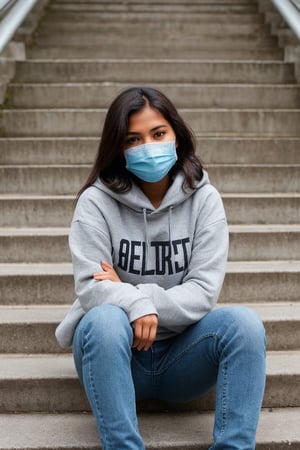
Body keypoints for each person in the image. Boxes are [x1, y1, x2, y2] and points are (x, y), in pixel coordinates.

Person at [55, 86, 266, 450]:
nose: (148, 147)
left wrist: (134, 294)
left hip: (183, 357)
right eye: (133, 139)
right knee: (103, 320)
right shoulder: (95, 202)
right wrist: (133, 307)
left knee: (245, 325)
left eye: (157, 134)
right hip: (116, 357)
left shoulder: (205, 200)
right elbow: (91, 288)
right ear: (118, 149)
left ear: (176, 136)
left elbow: (203, 292)